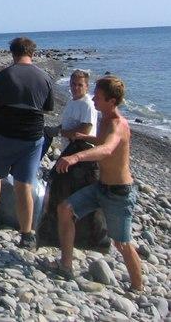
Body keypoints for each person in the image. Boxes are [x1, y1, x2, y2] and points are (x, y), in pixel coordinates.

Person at [51, 76, 142, 291]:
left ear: (111, 101)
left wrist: (75, 157)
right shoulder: (104, 118)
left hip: (119, 193)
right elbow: (102, 142)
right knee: (65, 209)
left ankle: (138, 287)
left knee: (122, 244)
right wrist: (86, 137)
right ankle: (66, 265)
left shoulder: (118, 123)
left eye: (98, 97)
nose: (93, 100)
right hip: (100, 187)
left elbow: (107, 149)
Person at [0, 36, 54, 250]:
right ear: (32, 53)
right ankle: (26, 234)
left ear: (12, 53)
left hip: (3, 134)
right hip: (31, 138)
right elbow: (48, 108)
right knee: (24, 186)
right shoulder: (44, 77)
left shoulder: (4, 75)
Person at [58, 69, 98, 151]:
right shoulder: (71, 100)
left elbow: (85, 131)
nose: (76, 87)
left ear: (86, 86)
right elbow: (69, 123)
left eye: (80, 85)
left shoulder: (87, 105)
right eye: (73, 84)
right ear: (70, 84)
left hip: (81, 151)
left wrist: (60, 132)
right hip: (69, 149)